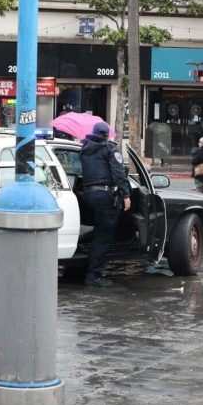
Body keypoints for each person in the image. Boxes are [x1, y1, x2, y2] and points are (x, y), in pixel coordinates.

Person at [79, 121, 132, 288]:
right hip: (104, 196)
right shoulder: (110, 149)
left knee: (95, 234)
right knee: (103, 236)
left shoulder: (84, 150)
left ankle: (86, 267)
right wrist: (125, 194)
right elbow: (118, 173)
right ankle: (93, 275)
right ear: (107, 134)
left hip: (87, 195)